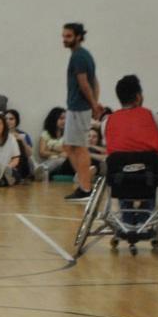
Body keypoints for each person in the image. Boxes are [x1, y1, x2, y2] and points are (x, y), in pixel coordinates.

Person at [102, 75, 158, 223]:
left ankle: (127, 215)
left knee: (120, 169)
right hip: (148, 175)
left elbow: (111, 151)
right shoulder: (155, 117)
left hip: (120, 177)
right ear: (138, 96)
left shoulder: (107, 121)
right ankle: (146, 216)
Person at [61, 22, 104, 201]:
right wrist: (95, 102)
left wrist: (93, 105)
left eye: (68, 36)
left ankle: (85, 188)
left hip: (79, 108)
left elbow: (84, 83)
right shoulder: (83, 55)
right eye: (63, 36)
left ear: (78, 36)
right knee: (68, 146)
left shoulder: (79, 56)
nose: (64, 39)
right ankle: (84, 180)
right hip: (77, 107)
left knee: (80, 148)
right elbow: (95, 81)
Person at [36, 107, 75, 179]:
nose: (64, 121)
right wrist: (58, 153)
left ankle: (42, 171)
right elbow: (42, 152)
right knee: (56, 161)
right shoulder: (46, 134)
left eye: (66, 119)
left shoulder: (69, 134)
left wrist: (51, 147)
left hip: (65, 163)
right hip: (51, 161)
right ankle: (41, 171)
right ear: (54, 119)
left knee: (62, 160)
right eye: (61, 118)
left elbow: (68, 151)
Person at [5, 108, 35, 180]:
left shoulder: (23, 135)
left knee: (30, 158)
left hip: (22, 162)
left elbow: (29, 154)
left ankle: (34, 171)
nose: (8, 121)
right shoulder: (0, 135)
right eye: (6, 119)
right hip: (7, 161)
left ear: (16, 121)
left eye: (11, 119)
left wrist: (22, 141)